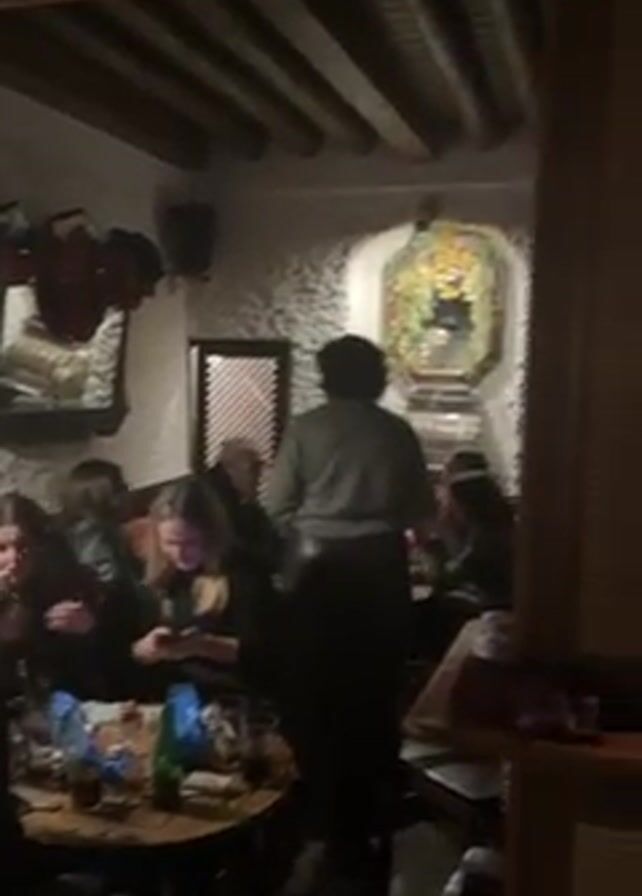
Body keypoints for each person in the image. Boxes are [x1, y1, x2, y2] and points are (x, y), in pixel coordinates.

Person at [266, 335, 435, 891]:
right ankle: (371, 817)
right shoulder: (396, 432)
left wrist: (309, 530)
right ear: (376, 377)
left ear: (326, 376)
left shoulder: (306, 429)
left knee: (316, 692)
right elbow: (421, 511)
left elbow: (276, 505)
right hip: (380, 568)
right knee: (375, 691)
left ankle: (320, 815)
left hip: (315, 570)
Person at [131, 479, 273, 700]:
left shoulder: (244, 571)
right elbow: (132, 651)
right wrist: (145, 649)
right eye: (170, 543)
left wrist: (201, 646)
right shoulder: (158, 575)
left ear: (211, 534)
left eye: (190, 542)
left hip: (235, 692)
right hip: (176, 693)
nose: (179, 554)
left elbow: (262, 653)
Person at [0, 492, 100, 698]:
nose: (14, 559)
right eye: (1, 549)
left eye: (23, 546)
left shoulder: (70, 587)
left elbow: (110, 663)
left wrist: (89, 629)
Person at [60, 460, 143, 698]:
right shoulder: (94, 537)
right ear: (103, 495)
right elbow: (112, 590)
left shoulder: (95, 533)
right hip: (109, 646)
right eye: (122, 487)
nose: (129, 492)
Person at [206, 438, 277, 573]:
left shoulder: (244, 502)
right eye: (253, 469)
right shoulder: (211, 500)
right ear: (230, 469)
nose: (258, 477)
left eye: (259, 469)